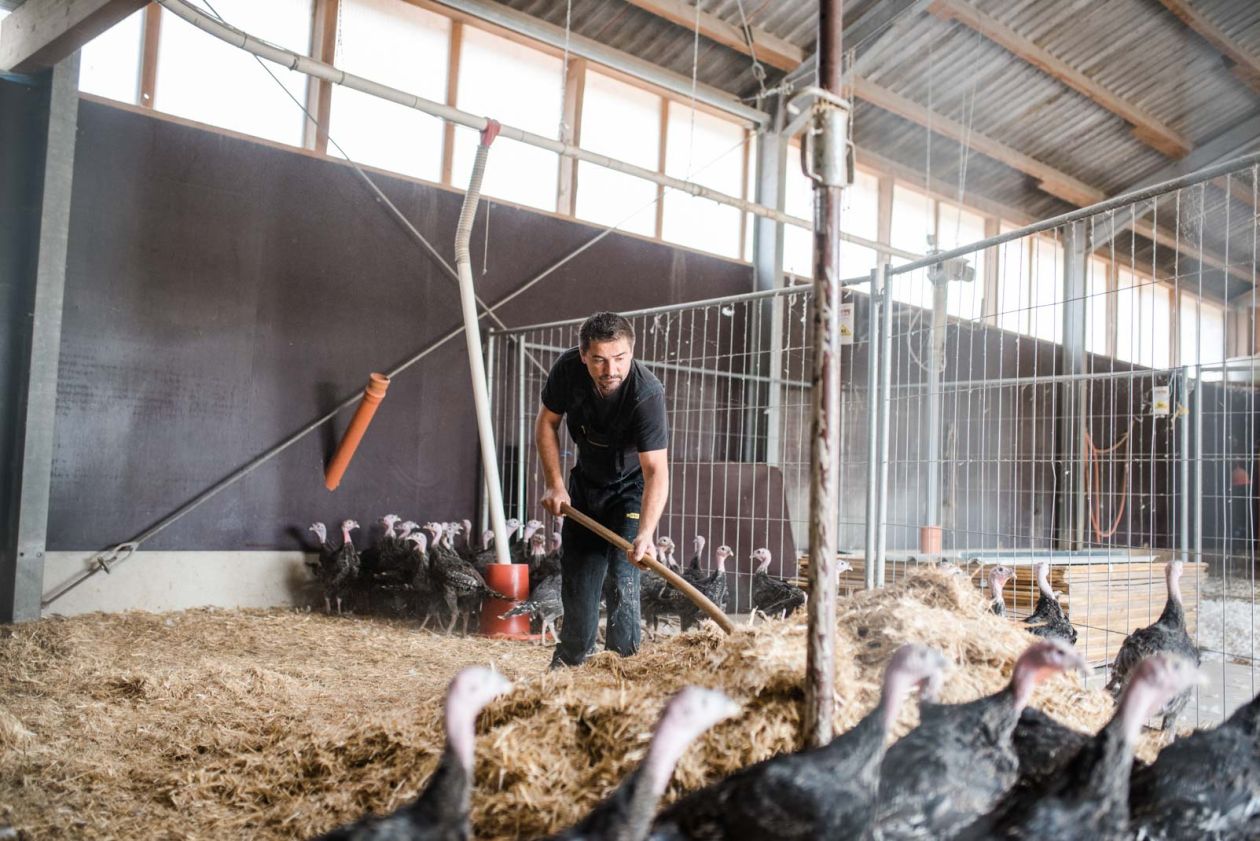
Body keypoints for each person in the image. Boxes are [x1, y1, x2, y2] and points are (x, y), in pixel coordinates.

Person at [536, 312, 669, 668]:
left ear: (632, 353)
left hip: (629, 489)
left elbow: (656, 470)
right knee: (579, 577)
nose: (611, 369)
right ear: (583, 356)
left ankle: (620, 667)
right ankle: (570, 661)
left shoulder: (646, 393)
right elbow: (547, 424)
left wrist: (646, 534)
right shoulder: (567, 370)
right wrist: (555, 484)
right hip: (585, 487)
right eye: (599, 359)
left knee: (622, 575)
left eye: (620, 358)